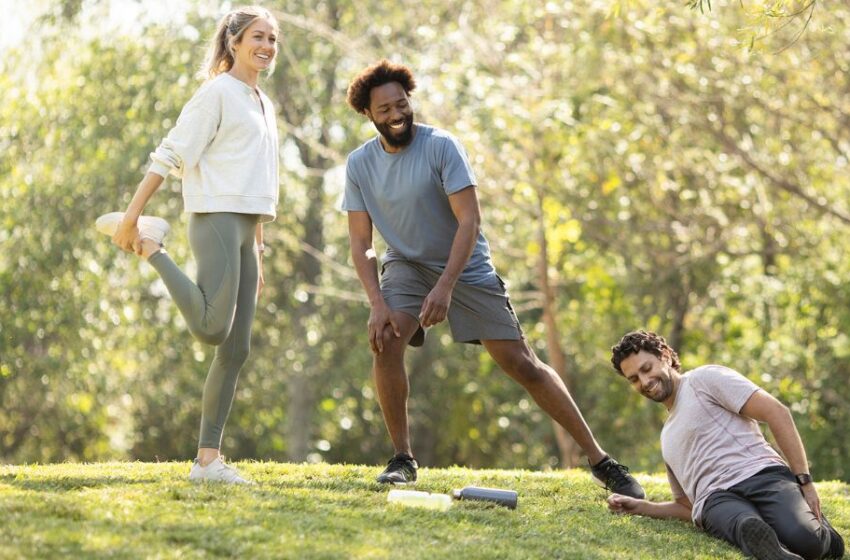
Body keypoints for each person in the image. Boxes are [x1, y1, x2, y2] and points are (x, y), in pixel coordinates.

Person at [340, 59, 644, 498]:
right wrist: (376, 302)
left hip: (463, 266)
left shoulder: (441, 146)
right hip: (405, 264)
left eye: (401, 104)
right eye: (385, 109)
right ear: (368, 114)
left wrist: (445, 286)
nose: (396, 115)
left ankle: (602, 461)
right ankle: (402, 459)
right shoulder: (359, 164)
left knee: (522, 364)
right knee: (386, 341)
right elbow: (361, 242)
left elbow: (470, 222)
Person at [95, 6, 280, 484]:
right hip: (214, 218)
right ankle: (153, 245)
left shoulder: (264, 102)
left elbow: (257, 179)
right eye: (258, 37)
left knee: (236, 349)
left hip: (246, 226)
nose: (267, 46)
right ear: (234, 41)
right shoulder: (216, 93)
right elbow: (171, 153)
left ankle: (207, 462)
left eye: (273, 39)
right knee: (212, 329)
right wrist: (133, 217)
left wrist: (259, 251)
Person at [607, 330, 845, 560]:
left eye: (646, 369)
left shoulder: (703, 379)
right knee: (745, 524)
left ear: (665, 357)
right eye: (634, 379)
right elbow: (686, 506)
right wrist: (641, 507)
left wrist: (805, 480)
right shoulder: (666, 437)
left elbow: (776, 412)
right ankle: (765, 543)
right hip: (715, 500)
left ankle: (825, 538)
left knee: (807, 541)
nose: (645, 382)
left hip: (760, 474)